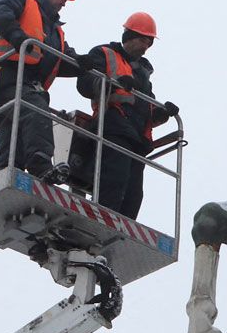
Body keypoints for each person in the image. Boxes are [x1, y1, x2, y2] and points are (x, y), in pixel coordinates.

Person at [74, 11, 178, 219]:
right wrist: (113, 85)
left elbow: (145, 111)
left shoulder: (143, 74)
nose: (146, 46)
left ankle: (123, 228)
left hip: (137, 140)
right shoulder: (104, 53)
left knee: (133, 194)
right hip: (113, 127)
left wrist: (162, 113)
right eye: (143, 39)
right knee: (114, 180)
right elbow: (85, 82)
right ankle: (103, 221)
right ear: (129, 36)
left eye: (149, 42)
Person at [0, 0, 81, 181]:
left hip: (29, 84)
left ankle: (6, 172)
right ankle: (41, 164)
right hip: (4, 76)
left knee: (16, 123)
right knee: (35, 109)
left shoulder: (54, 31)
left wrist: (85, 63)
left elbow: (63, 58)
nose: (64, 3)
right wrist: (16, 35)